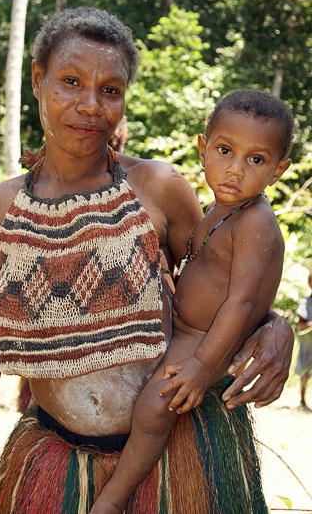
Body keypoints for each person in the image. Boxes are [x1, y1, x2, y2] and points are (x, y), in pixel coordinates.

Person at [0, 8, 294, 514]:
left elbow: (222, 280)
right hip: (53, 461)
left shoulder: (158, 187)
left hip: (182, 453)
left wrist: (275, 325)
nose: (90, 104)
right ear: (37, 80)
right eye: (70, 81)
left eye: (110, 90)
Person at [90, 88, 293, 513]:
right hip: (184, 329)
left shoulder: (256, 223)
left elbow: (240, 303)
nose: (235, 170)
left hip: (206, 340)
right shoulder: (222, 209)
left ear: (278, 170)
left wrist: (202, 366)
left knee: (153, 408)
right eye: (224, 150)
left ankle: (112, 499)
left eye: (255, 160)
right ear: (203, 150)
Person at [295, 269, 312, 410]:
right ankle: (302, 400)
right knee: (305, 373)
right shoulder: (306, 302)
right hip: (307, 346)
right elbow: (300, 323)